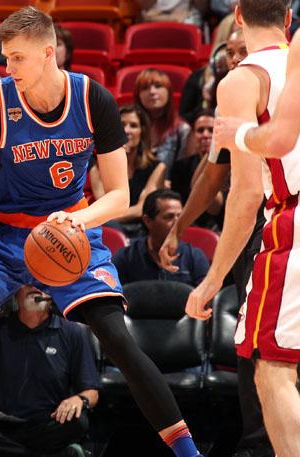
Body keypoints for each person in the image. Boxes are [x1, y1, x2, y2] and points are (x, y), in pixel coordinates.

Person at [0, 7, 203, 457]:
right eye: (6, 58)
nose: (6, 68)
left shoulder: (94, 100)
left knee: (116, 336)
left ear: (48, 53)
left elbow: (119, 194)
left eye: (16, 58)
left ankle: (188, 451)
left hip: (68, 229)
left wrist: (78, 221)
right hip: (1, 233)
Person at [183, 2, 300, 457]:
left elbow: (247, 194)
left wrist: (211, 281)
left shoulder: (243, 80)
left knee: (271, 367)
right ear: (288, 19)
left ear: (238, 15)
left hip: (291, 220)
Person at [158, 28, 273, 457]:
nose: (235, 59)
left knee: (264, 340)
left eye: (244, 51)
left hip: (275, 223)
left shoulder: (275, 90)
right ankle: (260, 443)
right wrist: (179, 227)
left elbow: (235, 189)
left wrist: (208, 279)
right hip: (260, 228)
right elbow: (212, 175)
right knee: (256, 339)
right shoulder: (235, 103)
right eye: (230, 52)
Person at [0, 286, 100, 457]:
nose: (35, 287)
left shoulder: (72, 332)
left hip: (46, 425)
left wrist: (79, 399)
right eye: (28, 283)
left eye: (42, 283)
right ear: (16, 294)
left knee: (78, 421)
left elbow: (92, 391)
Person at [91, 104, 166, 238]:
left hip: (141, 232)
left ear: (142, 132)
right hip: (110, 229)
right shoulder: (97, 166)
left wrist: (108, 217)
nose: (127, 130)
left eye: (133, 125)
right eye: (122, 124)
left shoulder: (157, 167)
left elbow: (141, 209)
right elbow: (104, 206)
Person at [113, 189, 209, 286]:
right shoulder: (126, 258)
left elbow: (207, 297)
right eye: (169, 217)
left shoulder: (194, 257)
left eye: (180, 217)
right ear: (147, 221)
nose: (177, 223)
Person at [134, 68, 191, 176]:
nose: (152, 92)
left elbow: (184, 172)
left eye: (158, 86)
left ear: (169, 92)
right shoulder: (129, 127)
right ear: (138, 95)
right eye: (145, 88)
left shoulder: (182, 129)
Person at [170, 109, 216, 205]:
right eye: (200, 130)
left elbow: (216, 207)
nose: (205, 135)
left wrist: (212, 152)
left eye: (211, 130)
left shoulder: (230, 166)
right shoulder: (180, 167)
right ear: (193, 135)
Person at [134, 0, 207, 27]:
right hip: (154, 14)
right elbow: (146, 14)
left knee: (189, 23)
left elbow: (202, 9)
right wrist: (170, 18)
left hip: (185, 15)